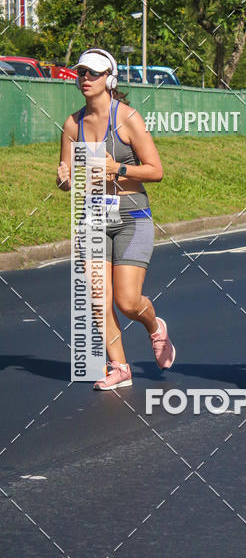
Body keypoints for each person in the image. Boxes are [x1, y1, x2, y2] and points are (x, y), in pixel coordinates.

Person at [57, 47, 175, 389]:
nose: (85, 79)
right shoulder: (72, 123)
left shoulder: (127, 119)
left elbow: (156, 171)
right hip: (92, 216)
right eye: (81, 73)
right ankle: (119, 367)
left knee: (126, 301)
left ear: (110, 79)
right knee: (96, 298)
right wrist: (64, 177)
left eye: (93, 73)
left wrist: (117, 168)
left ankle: (155, 326)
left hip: (131, 216)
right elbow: (67, 179)